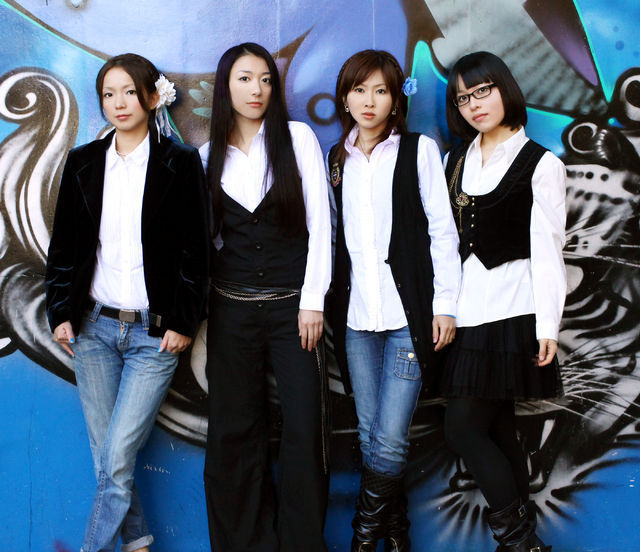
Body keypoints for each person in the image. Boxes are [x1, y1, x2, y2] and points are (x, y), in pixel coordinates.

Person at [45, 53, 210, 552]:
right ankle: (137, 543)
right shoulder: (83, 162)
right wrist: (60, 313)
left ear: (152, 97)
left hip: (153, 336)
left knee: (116, 456)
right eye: (108, 94)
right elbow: (64, 247)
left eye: (129, 92)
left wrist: (183, 320)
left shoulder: (179, 163)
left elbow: (197, 250)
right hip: (93, 329)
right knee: (107, 458)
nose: (119, 102)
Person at [327, 49, 461, 552]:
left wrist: (445, 305)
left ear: (395, 100)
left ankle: (363, 540)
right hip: (356, 319)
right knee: (369, 435)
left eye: (380, 91)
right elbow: (333, 236)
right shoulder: (336, 160)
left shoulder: (418, 151)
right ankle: (398, 536)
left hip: (409, 317)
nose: (369, 101)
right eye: (359, 90)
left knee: (388, 438)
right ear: (345, 97)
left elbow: (442, 232)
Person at [201, 42, 331, 552]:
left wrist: (313, 300)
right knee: (232, 431)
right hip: (230, 308)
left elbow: (321, 225)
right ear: (225, 87)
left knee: (304, 427)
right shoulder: (206, 156)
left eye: (265, 79)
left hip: (294, 309)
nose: (256, 89)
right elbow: (206, 241)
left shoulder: (297, 139)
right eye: (244, 78)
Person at [441, 51, 566, 552]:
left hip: (512, 311)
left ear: (504, 89)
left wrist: (548, 326)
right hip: (464, 315)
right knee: (498, 430)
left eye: (483, 91)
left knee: (462, 429)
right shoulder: (454, 162)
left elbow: (548, 251)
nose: (474, 104)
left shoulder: (542, 163)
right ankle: (525, 542)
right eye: (463, 98)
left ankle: (519, 543)